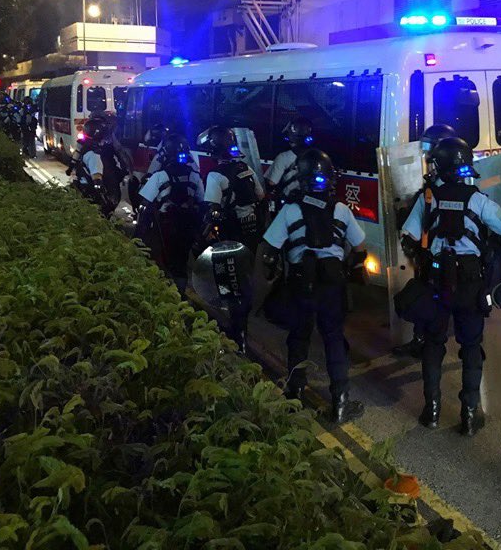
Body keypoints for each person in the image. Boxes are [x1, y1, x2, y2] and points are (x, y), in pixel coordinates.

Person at [400, 137, 501, 436]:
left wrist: (426, 253)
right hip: (470, 284)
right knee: (471, 346)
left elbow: (408, 237)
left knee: (433, 344)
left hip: (436, 283)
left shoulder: (428, 197)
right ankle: (469, 413)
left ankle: (432, 409)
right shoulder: (479, 200)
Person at [260, 148, 367, 424]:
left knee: (298, 337)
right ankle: (341, 403)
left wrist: (273, 271)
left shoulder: (290, 209)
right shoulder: (341, 209)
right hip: (332, 287)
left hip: (300, 284)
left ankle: (294, 393)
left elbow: (270, 249)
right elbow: (360, 248)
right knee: (334, 340)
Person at [197, 125, 267, 352]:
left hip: (231, 232)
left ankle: (236, 332)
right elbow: (260, 196)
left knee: (228, 277)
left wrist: (206, 233)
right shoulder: (246, 168)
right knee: (245, 274)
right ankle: (242, 322)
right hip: (252, 232)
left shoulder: (216, 175)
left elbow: (213, 210)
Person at [392, 123, 457, 359]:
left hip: (434, 257)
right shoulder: (467, 186)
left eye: (430, 146)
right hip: (462, 260)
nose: (426, 152)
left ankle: (426, 344)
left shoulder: (431, 191)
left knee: (428, 297)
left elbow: (411, 231)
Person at [136, 133, 204, 291]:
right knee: (180, 261)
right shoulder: (194, 176)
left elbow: (145, 203)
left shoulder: (160, 176)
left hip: (164, 225)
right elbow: (202, 201)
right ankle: (180, 294)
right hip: (187, 225)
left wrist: (140, 232)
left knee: (158, 259)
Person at [68, 113, 125, 215]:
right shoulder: (94, 155)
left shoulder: (84, 147)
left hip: (82, 189)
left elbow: (75, 161)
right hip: (91, 195)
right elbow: (97, 180)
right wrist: (105, 200)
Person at [264, 117, 314, 207]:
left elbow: (272, 182)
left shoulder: (284, 157)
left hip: (289, 204)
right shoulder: (316, 156)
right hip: (309, 205)